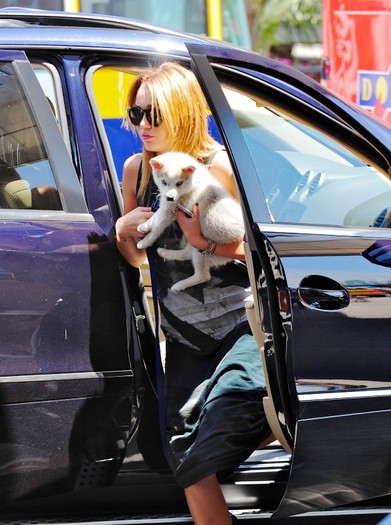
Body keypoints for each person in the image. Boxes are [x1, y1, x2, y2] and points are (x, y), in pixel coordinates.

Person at [115, 62, 272, 525]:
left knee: (228, 415)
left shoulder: (216, 165)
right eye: (136, 114)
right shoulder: (136, 171)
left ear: (182, 112)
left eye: (154, 114)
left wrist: (206, 242)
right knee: (185, 456)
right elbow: (139, 260)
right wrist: (123, 232)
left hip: (239, 326)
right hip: (183, 335)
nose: (142, 126)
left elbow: (256, 250)